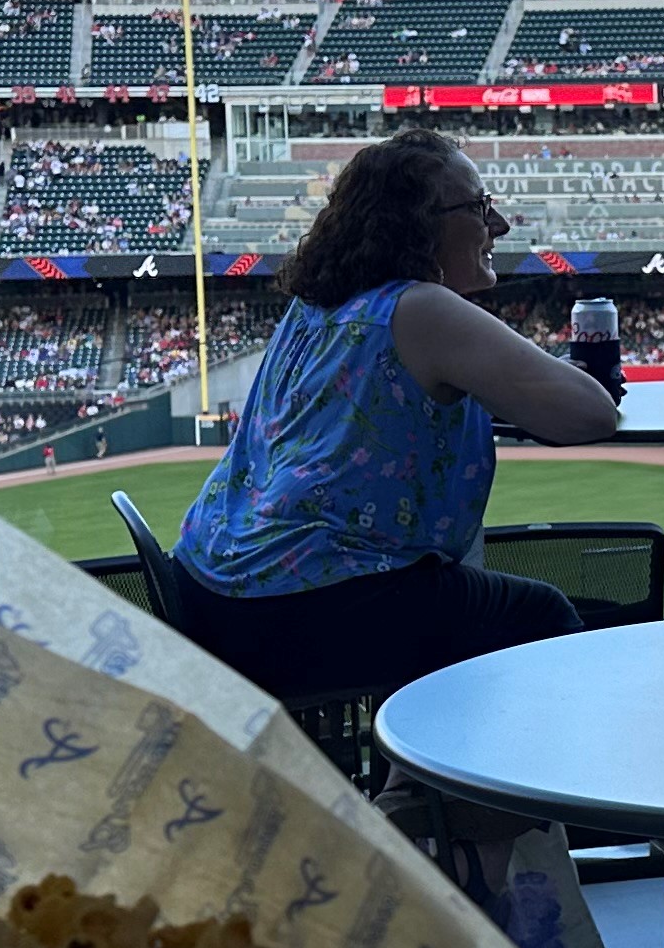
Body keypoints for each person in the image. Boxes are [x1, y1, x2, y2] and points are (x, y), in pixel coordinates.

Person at [172, 127, 620, 702]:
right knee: (541, 614)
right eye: (479, 206)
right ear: (417, 224)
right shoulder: (423, 307)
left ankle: (424, 759)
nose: (499, 224)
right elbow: (590, 414)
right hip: (296, 608)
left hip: (209, 589)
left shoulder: (318, 304)